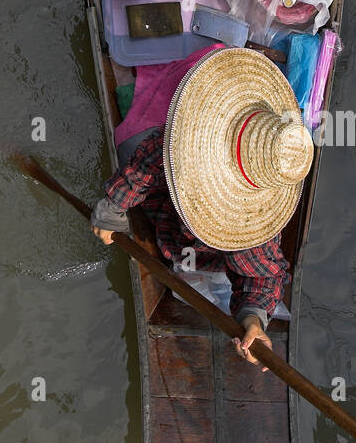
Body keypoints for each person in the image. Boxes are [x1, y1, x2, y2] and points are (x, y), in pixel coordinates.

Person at [91, 45, 314, 371]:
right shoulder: (185, 139)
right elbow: (148, 164)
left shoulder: (250, 227)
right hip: (165, 206)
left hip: (199, 246)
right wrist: (112, 208)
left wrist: (253, 319)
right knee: (133, 147)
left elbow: (263, 278)